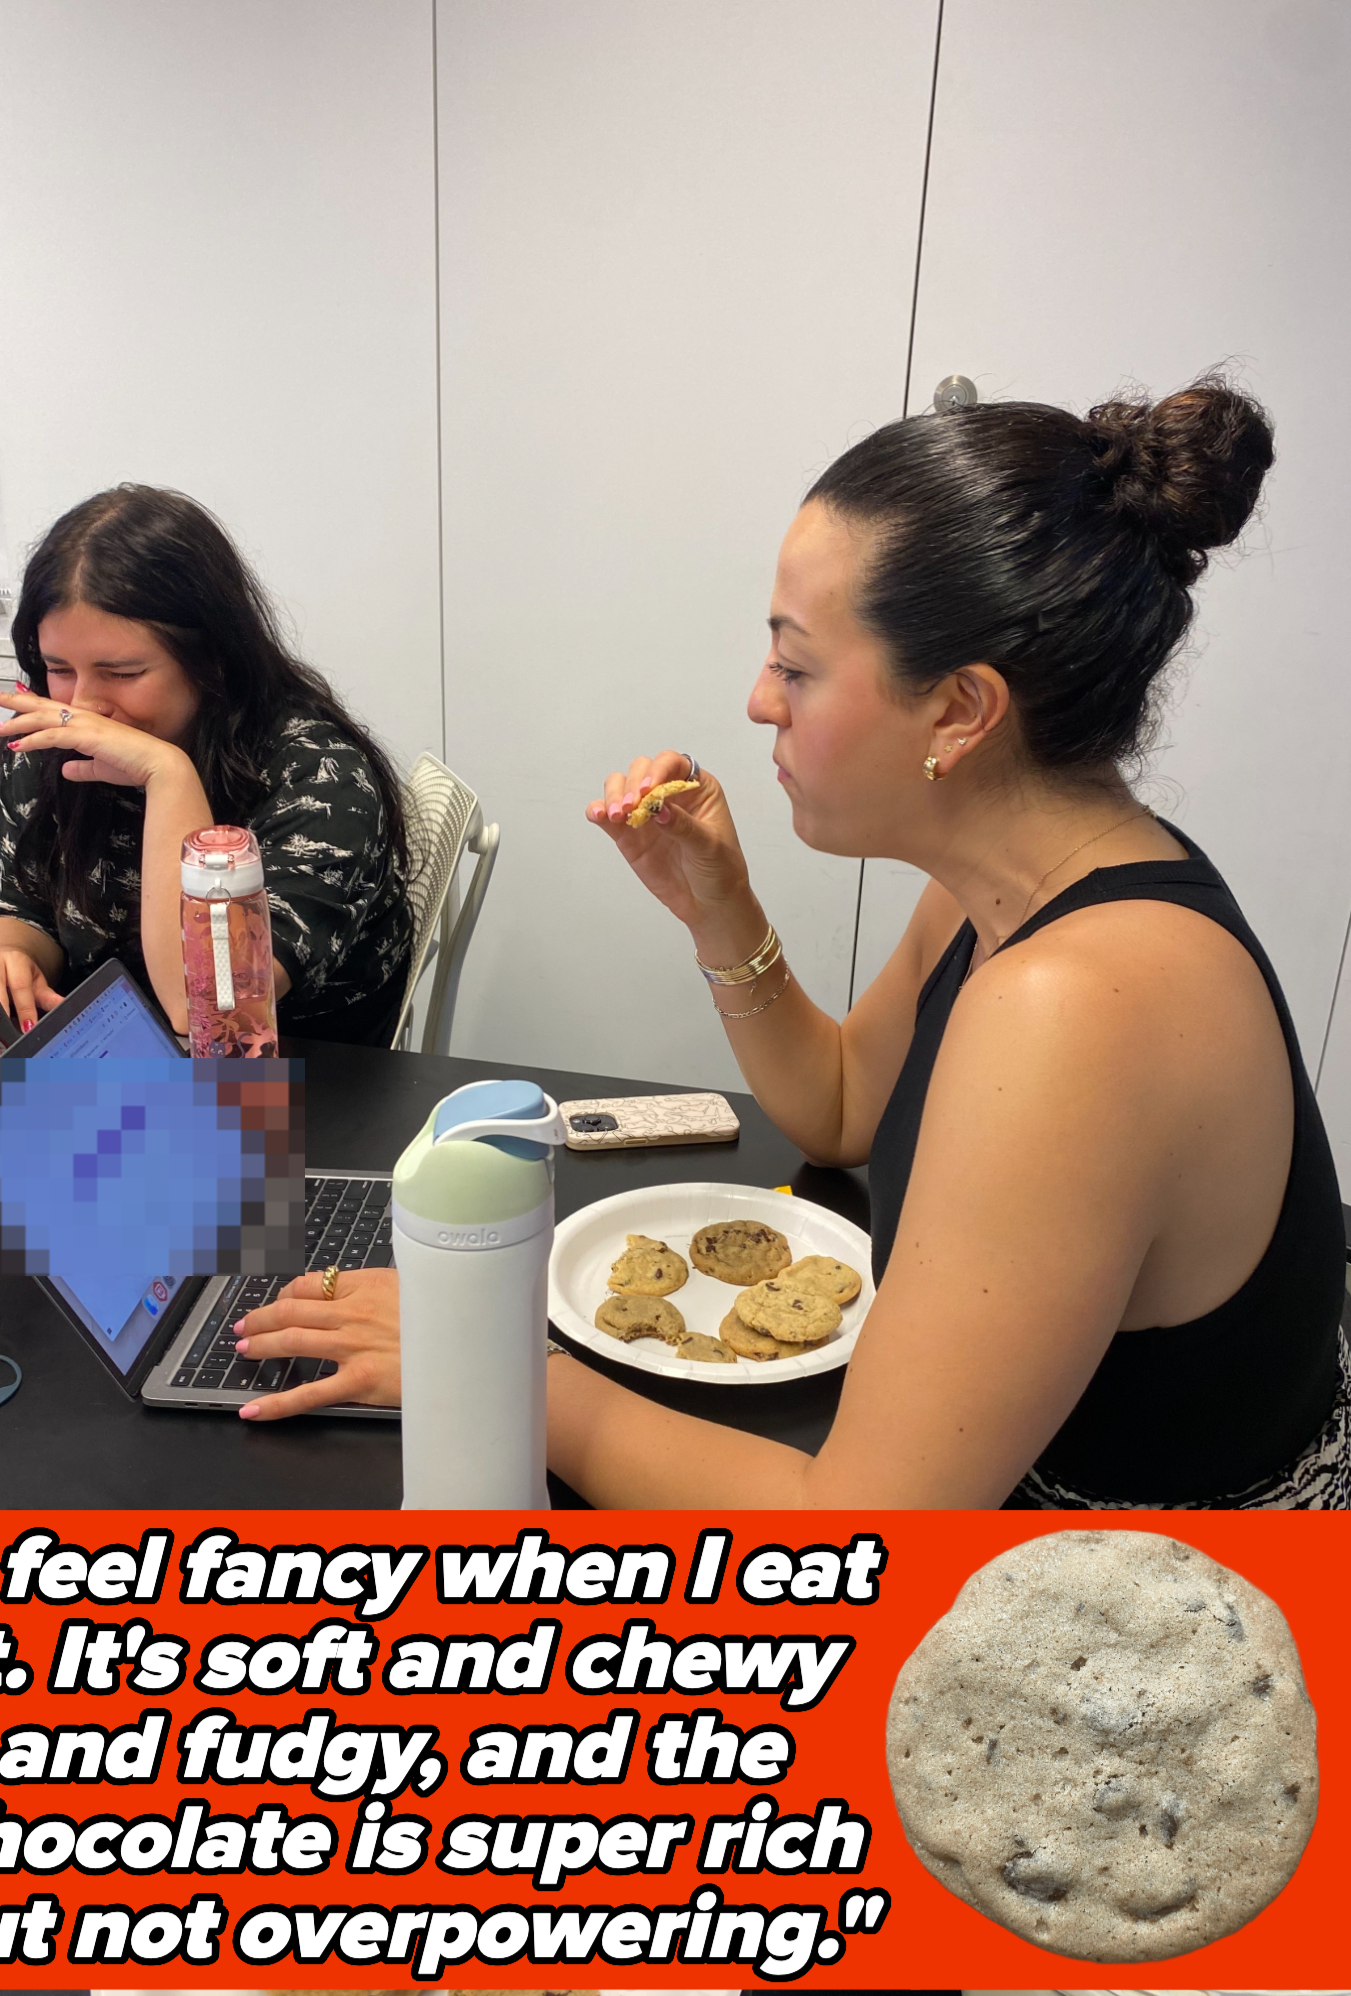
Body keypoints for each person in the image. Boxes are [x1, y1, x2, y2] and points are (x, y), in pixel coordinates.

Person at [230, 378, 1349, 1510]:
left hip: (1155, 1617)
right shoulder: (1017, 883)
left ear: (960, 712)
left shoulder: (1080, 1005)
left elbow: (863, 1527)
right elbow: (842, 1107)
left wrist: (495, 1361)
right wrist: (722, 908)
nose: (760, 701)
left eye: (798, 665)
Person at [0, 486, 412, 1045]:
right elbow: (14, 903)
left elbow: (207, 1010)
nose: (82, 705)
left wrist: (168, 776)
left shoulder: (320, 781)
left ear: (213, 661)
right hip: (115, 1062)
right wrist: (6, 954)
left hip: (304, 1089)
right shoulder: (54, 742)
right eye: (58, 668)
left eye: (123, 673)